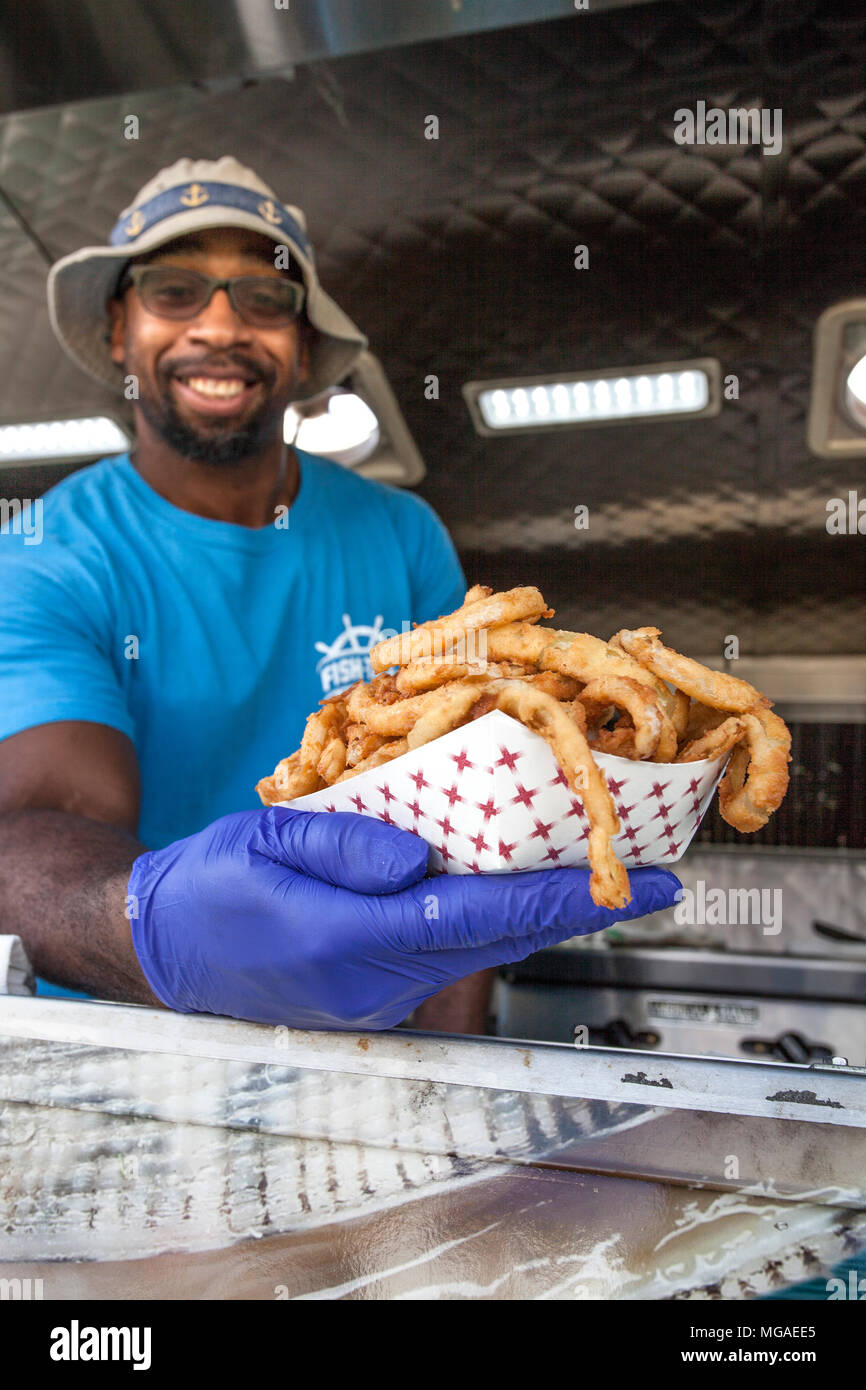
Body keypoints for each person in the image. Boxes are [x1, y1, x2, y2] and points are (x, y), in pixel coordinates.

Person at [0, 156, 679, 1032]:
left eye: (263, 296)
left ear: (306, 345)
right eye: (173, 291)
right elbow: (41, 819)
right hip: (127, 1038)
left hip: (370, 1039)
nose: (218, 325)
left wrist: (444, 1088)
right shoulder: (48, 554)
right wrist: (165, 927)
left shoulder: (401, 538)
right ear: (117, 331)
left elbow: (469, 840)